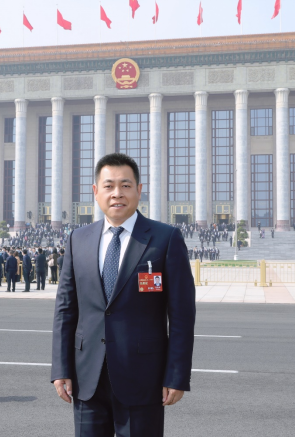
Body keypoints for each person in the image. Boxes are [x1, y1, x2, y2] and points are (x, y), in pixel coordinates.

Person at [52, 153, 196, 437]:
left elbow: (181, 315)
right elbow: (65, 309)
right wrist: (61, 368)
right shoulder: (78, 239)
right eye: (109, 186)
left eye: (126, 185)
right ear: (96, 191)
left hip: (143, 377)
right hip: (87, 378)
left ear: (139, 190)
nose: (117, 193)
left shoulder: (165, 238)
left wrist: (177, 375)